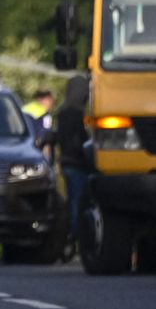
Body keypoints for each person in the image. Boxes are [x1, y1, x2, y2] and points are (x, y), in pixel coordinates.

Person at [54, 74, 91, 260]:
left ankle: (70, 240)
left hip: (69, 163)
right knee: (77, 203)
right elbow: (78, 140)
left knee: (73, 202)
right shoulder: (76, 114)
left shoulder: (62, 112)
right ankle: (75, 238)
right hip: (78, 163)